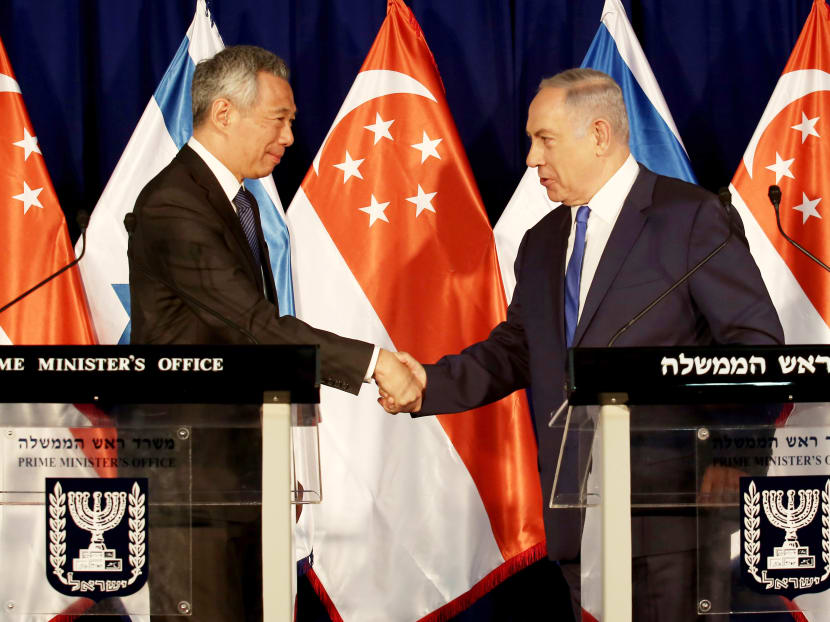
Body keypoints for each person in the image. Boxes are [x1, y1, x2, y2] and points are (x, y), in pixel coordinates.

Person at [383, 68, 785, 621]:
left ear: (599, 135)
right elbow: (518, 349)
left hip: (676, 517)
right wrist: (428, 383)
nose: (530, 158)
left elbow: (754, 347)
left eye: (543, 139)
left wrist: (733, 456)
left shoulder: (689, 218)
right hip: (579, 515)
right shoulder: (543, 241)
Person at [127, 45, 420, 621]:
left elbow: (248, 343)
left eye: (291, 121)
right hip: (195, 484)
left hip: (243, 476)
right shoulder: (173, 203)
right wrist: (373, 364)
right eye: (278, 119)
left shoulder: (240, 202)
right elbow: (254, 324)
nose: (289, 137)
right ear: (223, 114)